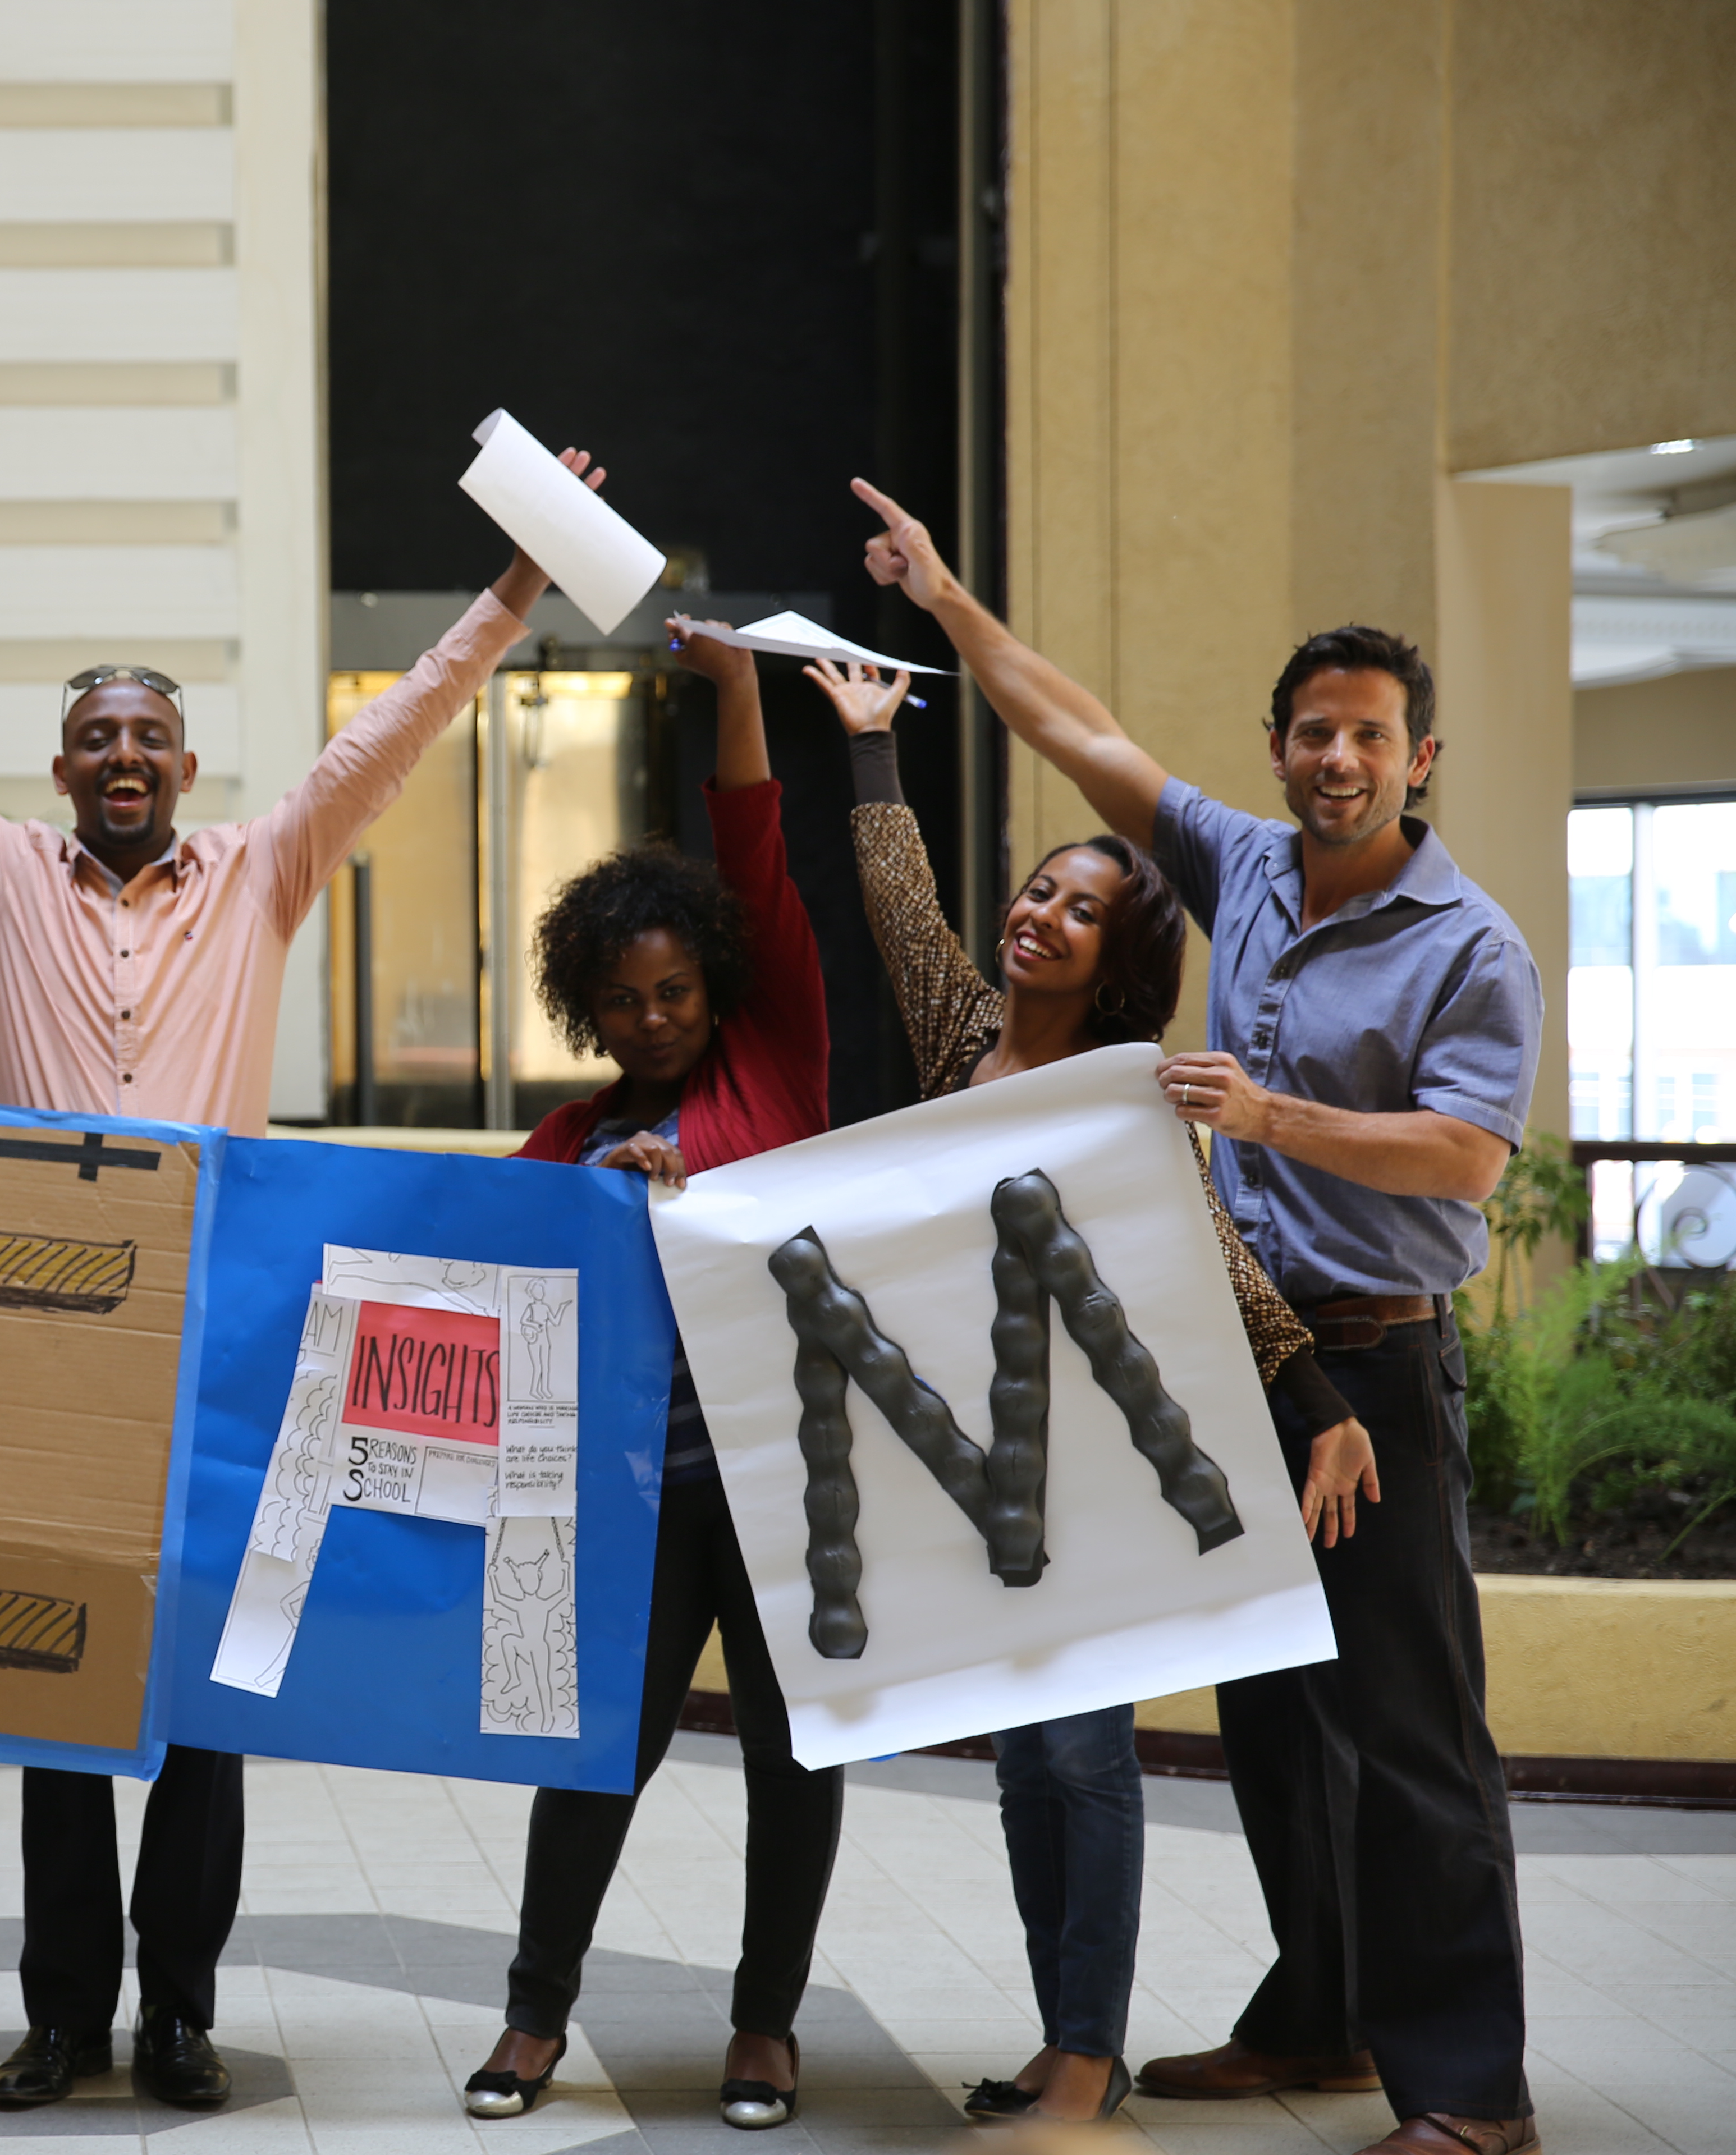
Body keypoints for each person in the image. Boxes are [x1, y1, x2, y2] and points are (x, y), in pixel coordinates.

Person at [0, 392, 597, 2112]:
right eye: (94, 735)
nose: (119, 758)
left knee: (205, 1701)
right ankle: (63, 2019)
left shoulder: (263, 871)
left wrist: (516, 589)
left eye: (146, 739)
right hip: (40, 1346)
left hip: (224, 1340)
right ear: (61, 771)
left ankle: (179, 2016)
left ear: (184, 769)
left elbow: (395, 732)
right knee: (50, 1696)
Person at [851, 482, 1543, 2155]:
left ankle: (1472, 2091)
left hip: (1369, 1359)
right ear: (1284, 746)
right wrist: (946, 602)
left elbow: (1464, 1154)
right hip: (1237, 1367)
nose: (1337, 759)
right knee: (1278, 1726)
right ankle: (1321, 2022)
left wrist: (1271, 1121)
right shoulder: (1242, 861)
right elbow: (1075, 724)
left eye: (1370, 736)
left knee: (1411, 1728)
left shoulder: (1474, 947)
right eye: (1312, 732)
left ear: (1420, 759)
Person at [803, 654, 1378, 2128]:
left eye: (1075, 907)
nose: (1036, 915)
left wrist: (1322, 1405)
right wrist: (872, 754)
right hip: (976, 1464)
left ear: (1119, 960)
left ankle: (1087, 2052)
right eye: (1037, 890)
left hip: (1099, 1468)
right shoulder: (956, 1044)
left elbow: (1222, 1267)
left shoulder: (1125, 1096)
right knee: (1017, 1764)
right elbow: (900, 910)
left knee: (1082, 1751)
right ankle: (1068, 2031)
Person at [466, 625, 837, 2133]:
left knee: (791, 1757)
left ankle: (766, 2031)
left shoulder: (778, 1066)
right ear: (588, 1010)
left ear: (716, 985)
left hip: (785, 1479)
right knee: (591, 1755)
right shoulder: (566, 1144)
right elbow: (456, 1276)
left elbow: (753, 850)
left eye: (677, 989)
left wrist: (737, 691)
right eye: (624, 1002)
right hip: (635, 1502)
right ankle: (533, 2019)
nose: (656, 1017)